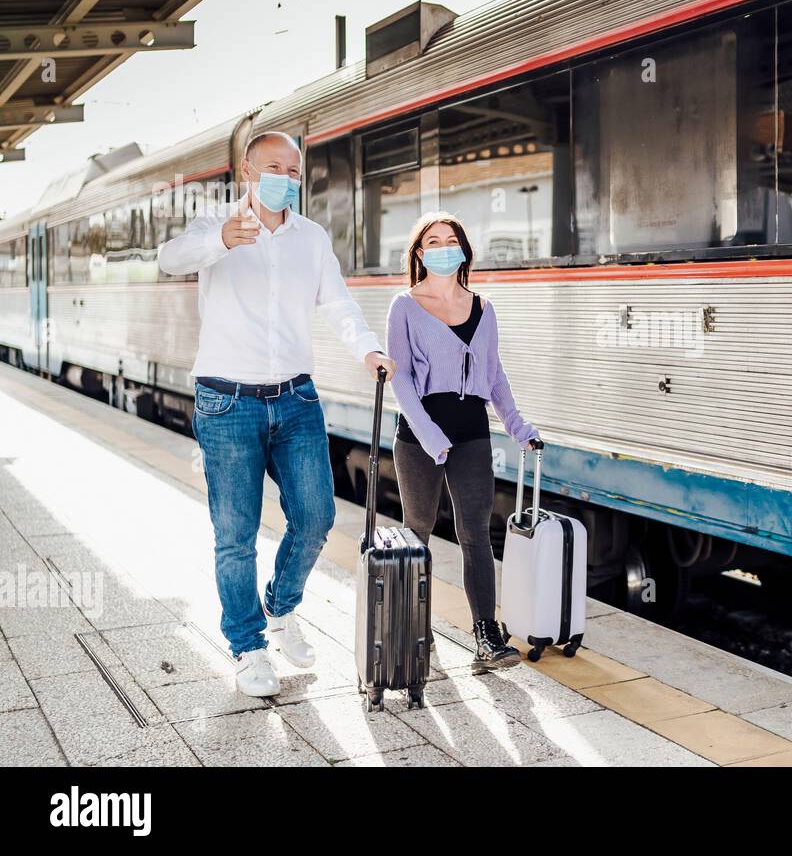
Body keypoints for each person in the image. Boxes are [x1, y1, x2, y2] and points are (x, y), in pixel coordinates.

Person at [158, 131, 394, 697]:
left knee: (315, 516)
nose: (285, 177)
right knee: (235, 535)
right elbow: (170, 259)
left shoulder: (310, 239)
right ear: (246, 171)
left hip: (295, 400)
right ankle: (247, 646)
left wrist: (367, 348)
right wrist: (219, 240)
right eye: (273, 167)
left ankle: (281, 607)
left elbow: (337, 302)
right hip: (226, 401)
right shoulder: (215, 224)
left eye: (293, 169)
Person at [386, 211, 541, 673]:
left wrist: (517, 426)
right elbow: (402, 381)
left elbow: (494, 377)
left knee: (475, 533)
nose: (443, 248)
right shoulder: (404, 305)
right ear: (418, 253)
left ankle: (486, 638)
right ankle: (415, 631)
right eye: (432, 241)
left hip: (471, 429)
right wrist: (430, 435)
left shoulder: (483, 307)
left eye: (451, 240)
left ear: (464, 250)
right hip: (419, 433)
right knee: (418, 532)